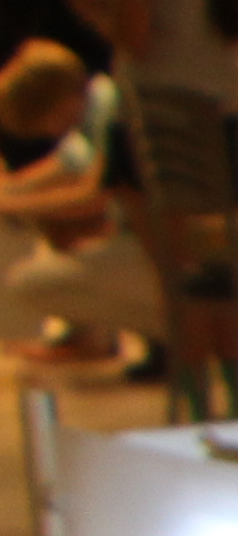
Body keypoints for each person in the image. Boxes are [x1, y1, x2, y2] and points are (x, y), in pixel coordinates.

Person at [71, 0, 238, 415]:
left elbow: (136, 34)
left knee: (177, 269)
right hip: (218, 101)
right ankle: (237, 395)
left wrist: (93, 12)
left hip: (160, 109)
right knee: (217, 264)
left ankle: (196, 404)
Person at [0, 42, 160, 359]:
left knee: (29, 283)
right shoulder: (95, 100)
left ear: (59, 104)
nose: (49, 132)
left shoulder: (107, 106)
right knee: (50, 227)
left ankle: (161, 333)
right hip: (140, 235)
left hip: (149, 240)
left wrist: (9, 204)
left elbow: (93, 197)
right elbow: (62, 165)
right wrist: (10, 191)